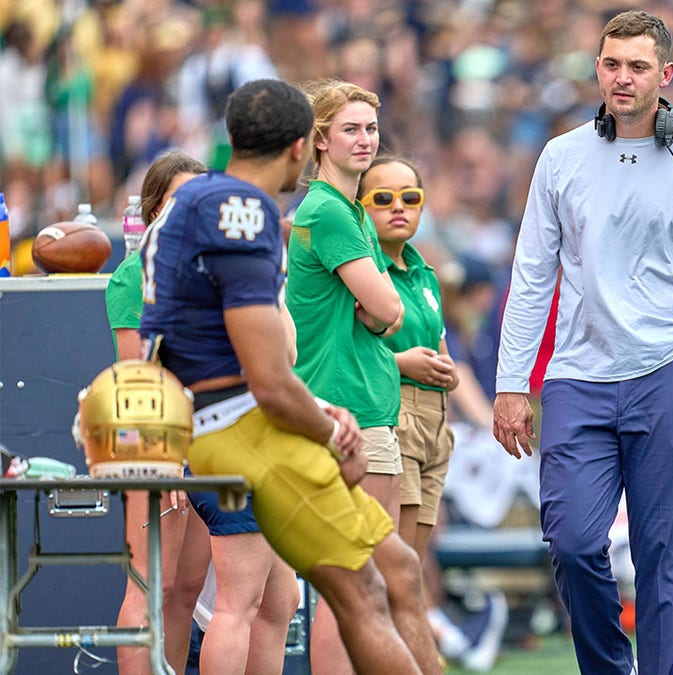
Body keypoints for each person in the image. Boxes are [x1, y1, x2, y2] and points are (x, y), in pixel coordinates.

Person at [492, 11, 673, 674]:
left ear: (665, 75)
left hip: (670, 373)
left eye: (638, 66)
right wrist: (511, 382)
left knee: (663, 556)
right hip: (576, 378)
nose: (623, 77)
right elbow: (531, 275)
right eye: (612, 64)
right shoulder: (560, 156)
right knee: (572, 540)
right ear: (598, 69)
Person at [138, 78, 441, 674]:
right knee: (363, 586)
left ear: (231, 139)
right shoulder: (245, 215)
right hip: (239, 427)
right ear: (305, 146)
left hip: (213, 421)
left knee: (374, 576)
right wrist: (328, 431)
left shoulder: (192, 203)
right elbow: (268, 378)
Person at [285, 78, 419, 674]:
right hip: (351, 413)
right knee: (358, 588)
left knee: (357, 585)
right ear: (319, 140)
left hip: (350, 404)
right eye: (350, 129)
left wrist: (378, 308)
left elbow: (382, 311)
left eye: (370, 128)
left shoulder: (342, 209)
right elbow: (389, 311)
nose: (366, 140)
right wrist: (379, 308)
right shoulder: (330, 211)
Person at [358, 155, 509, 670]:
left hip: (432, 422)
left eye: (410, 197)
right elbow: (329, 348)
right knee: (394, 572)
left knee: (412, 568)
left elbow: (441, 345)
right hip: (389, 413)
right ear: (359, 206)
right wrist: (404, 362)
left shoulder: (422, 269)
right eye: (382, 198)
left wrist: (445, 372)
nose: (398, 207)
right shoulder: (358, 266)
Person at [106, 149, 211, 675]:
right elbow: (137, 374)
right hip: (153, 442)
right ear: (151, 211)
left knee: (187, 587)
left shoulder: (206, 270)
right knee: (152, 583)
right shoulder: (134, 272)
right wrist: (163, 456)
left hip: (206, 440)